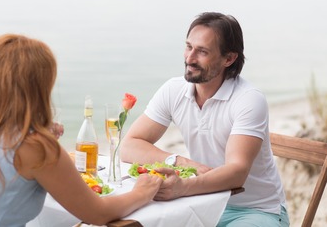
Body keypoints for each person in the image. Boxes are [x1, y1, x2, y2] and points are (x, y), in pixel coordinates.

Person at [0, 34, 163, 227]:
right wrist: (141, 192)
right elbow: (98, 214)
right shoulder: (35, 148)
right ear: (37, 87)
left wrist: (34, 131)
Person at [120, 12, 290, 226]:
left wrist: (182, 187)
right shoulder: (174, 90)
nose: (189, 59)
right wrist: (179, 161)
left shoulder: (248, 100)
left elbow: (236, 172)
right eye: (189, 47)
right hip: (202, 203)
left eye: (202, 52)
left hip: (254, 211)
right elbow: (129, 146)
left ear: (229, 58)